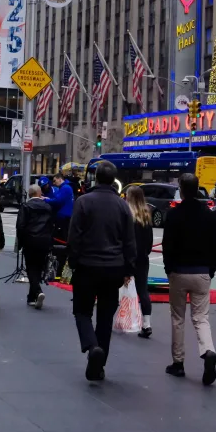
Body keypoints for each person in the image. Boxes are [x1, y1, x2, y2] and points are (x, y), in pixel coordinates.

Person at [68, 161, 136, 381]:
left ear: (95, 178)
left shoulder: (83, 202)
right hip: (114, 267)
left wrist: (73, 261)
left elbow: (74, 236)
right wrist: (128, 268)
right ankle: (99, 362)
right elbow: (129, 241)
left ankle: (91, 346)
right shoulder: (122, 205)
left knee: (82, 311)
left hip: (87, 265)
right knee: (105, 317)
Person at [161, 173, 216, 385]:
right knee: (201, 317)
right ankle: (208, 350)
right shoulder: (208, 215)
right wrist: (210, 269)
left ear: (181, 189)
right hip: (202, 271)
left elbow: (167, 245)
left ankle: (178, 362)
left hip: (179, 271)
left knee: (178, 317)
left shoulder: (174, 215)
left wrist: (169, 268)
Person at [16, 184, 54, 309]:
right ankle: (32, 297)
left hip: (30, 240)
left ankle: (37, 291)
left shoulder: (26, 206)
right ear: (39, 193)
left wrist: (20, 243)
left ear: (29, 194)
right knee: (38, 267)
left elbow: (20, 226)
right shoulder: (48, 207)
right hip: (44, 240)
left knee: (31, 267)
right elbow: (51, 225)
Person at [126, 185, 154, 338]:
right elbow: (149, 240)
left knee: (117, 288)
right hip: (142, 258)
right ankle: (146, 323)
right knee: (143, 290)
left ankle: (117, 318)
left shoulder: (127, 214)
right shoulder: (146, 214)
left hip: (127, 258)